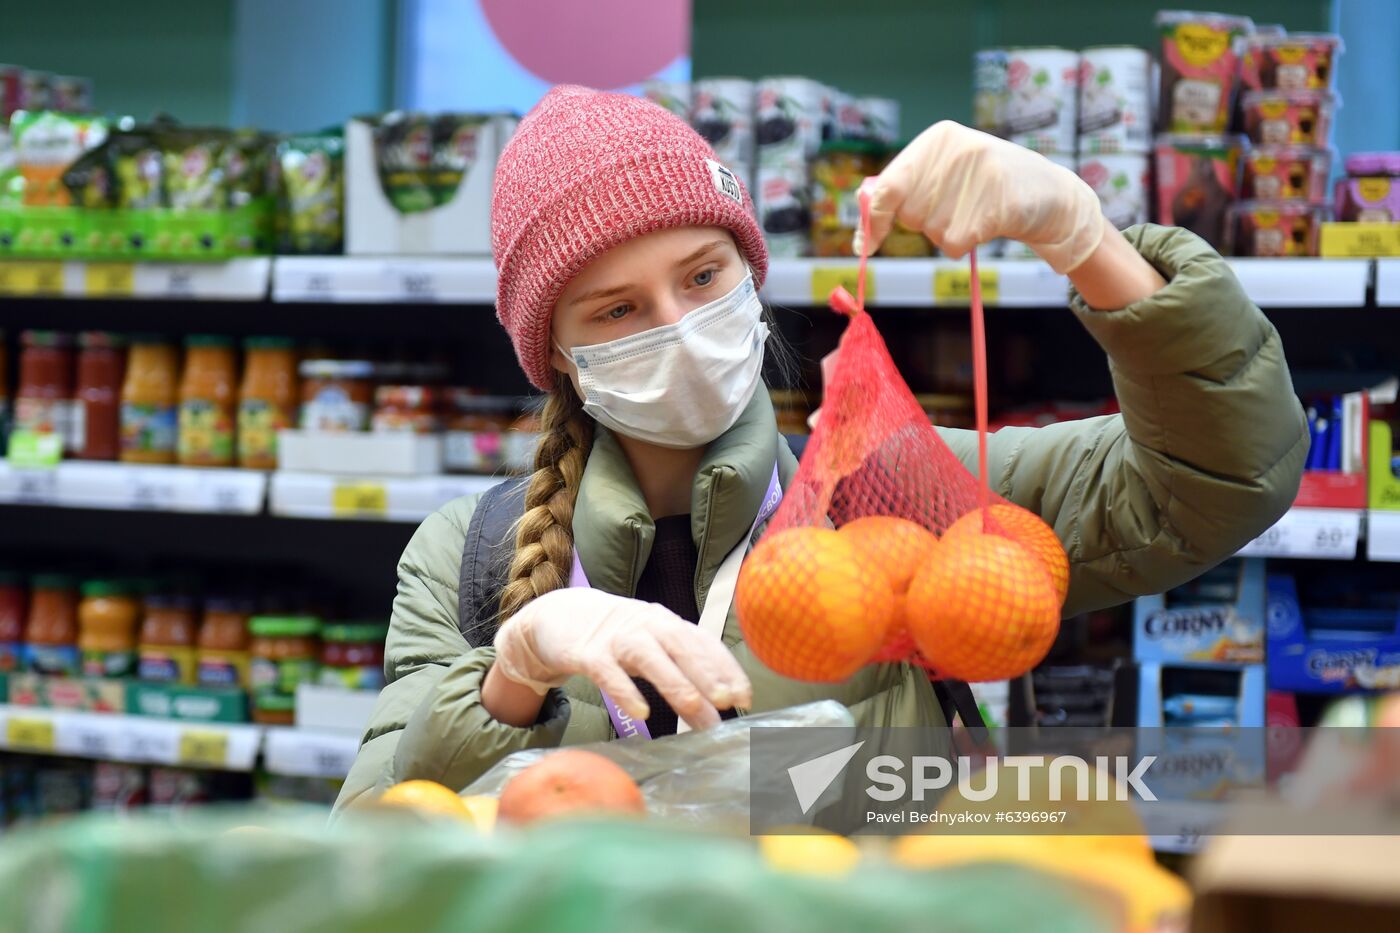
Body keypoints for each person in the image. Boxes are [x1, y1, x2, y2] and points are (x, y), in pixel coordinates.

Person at [334, 86, 1307, 809]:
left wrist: (1081, 235)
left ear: (748, 275)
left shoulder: (913, 497)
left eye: (702, 275)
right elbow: (373, 844)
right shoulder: (467, 556)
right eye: (618, 308)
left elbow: (1216, 481)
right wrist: (514, 670)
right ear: (553, 350)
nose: (677, 324)